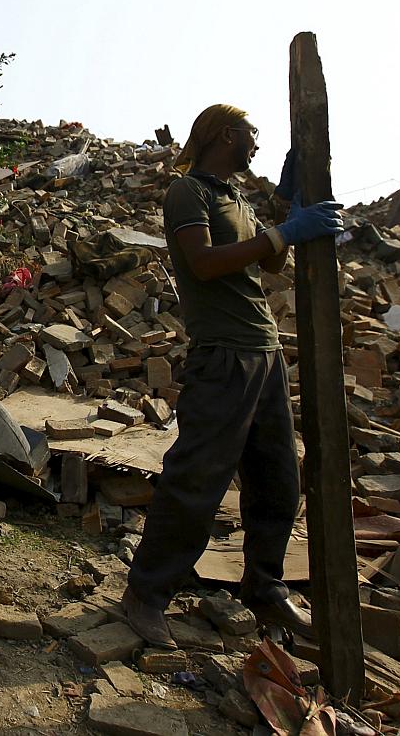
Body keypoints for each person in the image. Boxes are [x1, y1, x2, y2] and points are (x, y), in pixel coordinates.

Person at [120, 104, 344, 647]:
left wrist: (288, 211)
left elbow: (272, 266)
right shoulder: (187, 193)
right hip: (222, 356)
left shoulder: (235, 198)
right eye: (252, 135)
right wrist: (284, 230)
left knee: (278, 483)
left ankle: (264, 589)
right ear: (227, 134)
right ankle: (145, 596)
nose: (257, 147)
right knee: (198, 480)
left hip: (264, 353)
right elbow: (204, 262)